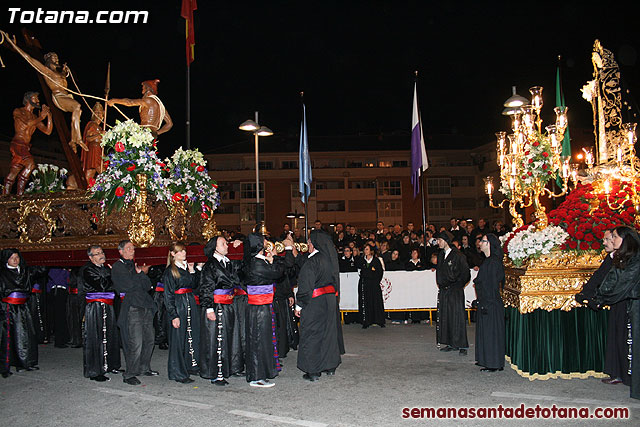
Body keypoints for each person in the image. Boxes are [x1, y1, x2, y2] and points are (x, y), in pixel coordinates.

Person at [3, 38, 86, 151]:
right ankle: (78, 139)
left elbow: (64, 74)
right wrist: (14, 45)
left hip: (67, 95)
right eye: (54, 57)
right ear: (48, 59)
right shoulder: (47, 71)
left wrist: (65, 71)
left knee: (78, 111)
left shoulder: (59, 73)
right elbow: (30, 59)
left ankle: (73, 140)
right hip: (59, 96)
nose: (57, 59)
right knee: (77, 107)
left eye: (57, 58)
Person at [591, 226, 640, 399]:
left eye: (614, 237)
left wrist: (599, 298)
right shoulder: (621, 257)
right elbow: (608, 279)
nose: (611, 240)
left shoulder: (634, 259)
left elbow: (618, 283)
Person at [575, 230, 627, 385]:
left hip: (626, 303)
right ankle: (617, 372)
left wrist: (598, 299)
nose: (604, 242)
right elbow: (599, 276)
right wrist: (585, 293)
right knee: (615, 337)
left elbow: (614, 284)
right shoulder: (611, 258)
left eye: (608, 239)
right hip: (616, 303)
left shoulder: (627, 260)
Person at [294, 229, 342, 381]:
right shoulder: (328, 259)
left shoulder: (312, 262)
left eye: (308, 242)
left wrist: (299, 305)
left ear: (313, 244)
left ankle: (313, 371)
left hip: (315, 301)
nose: (307, 244)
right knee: (328, 332)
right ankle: (329, 366)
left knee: (312, 332)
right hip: (329, 300)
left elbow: (305, 286)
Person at [111, 240, 157, 385]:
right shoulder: (118, 267)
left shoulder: (134, 265)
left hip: (145, 306)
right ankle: (129, 373)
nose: (132, 250)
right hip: (132, 308)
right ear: (121, 251)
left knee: (149, 340)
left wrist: (141, 275)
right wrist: (141, 274)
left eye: (133, 248)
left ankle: (144, 367)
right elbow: (128, 286)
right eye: (129, 248)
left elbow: (148, 286)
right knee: (135, 342)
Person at [242, 232, 285, 387]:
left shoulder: (257, 261)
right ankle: (256, 376)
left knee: (264, 339)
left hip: (262, 305)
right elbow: (277, 273)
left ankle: (263, 371)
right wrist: (276, 258)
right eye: (264, 240)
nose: (267, 241)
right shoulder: (257, 263)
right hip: (259, 307)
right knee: (258, 340)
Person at [199, 236, 243, 385]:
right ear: (215, 247)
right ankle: (215, 373)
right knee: (216, 339)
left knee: (229, 336)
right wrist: (209, 308)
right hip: (217, 306)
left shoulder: (228, 262)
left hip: (229, 305)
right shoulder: (210, 265)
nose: (227, 245)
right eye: (223, 243)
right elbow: (206, 287)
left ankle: (228, 368)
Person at [0, 249, 44, 376]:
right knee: (9, 337)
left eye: (17, 257)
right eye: (12, 257)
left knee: (27, 335)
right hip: (8, 308)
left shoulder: (25, 270)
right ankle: (5, 367)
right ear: (6, 259)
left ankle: (26, 363)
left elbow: (41, 269)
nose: (15, 260)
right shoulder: (2, 273)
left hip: (23, 306)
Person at [163, 242, 201, 384]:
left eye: (184, 251)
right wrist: (174, 315)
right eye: (179, 251)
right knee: (178, 339)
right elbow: (168, 295)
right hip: (179, 305)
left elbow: (194, 285)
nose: (183, 253)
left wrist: (193, 270)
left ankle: (191, 364)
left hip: (189, 302)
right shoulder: (170, 271)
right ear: (173, 254)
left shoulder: (186, 267)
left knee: (191, 334)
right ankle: (177, 372)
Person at [82, 245, 120, 382]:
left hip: (108, 305)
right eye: (97, 253)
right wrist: (112, 275)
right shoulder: (88, 270)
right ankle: (95, 371)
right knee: (96, 336)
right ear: (91, 257)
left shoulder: (105, 269)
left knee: (110, 334)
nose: (101, 255)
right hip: (96, 306)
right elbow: (102, 285)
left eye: (102, 252)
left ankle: (110, 365)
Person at [3, 92, 52, 195]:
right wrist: (41, 117)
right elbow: (26, 124)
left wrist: (49, 116)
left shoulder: (34, 117)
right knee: (30, 164)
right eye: (35, 98)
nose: (38, 101)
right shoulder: (19, 111)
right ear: (28, 99)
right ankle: (20, 194)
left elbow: (47, 131)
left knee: (15, 171)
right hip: (18, 144)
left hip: (25, 146)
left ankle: (5, 196)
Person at [435, 231, 471, 355]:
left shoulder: (458, 255)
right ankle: (451, 342)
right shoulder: (441, 255)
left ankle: (461, 345)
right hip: (444, 290)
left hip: (455, 290)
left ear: (446, 241)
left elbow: (466, 273)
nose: (438, 242)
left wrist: (458, 286)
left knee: (457, 317)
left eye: (439, 240)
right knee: (446, 317)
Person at [474, 234, 505, 372]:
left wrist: (483, 302)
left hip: (490, 303)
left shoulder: (492, 262)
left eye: (483, 241)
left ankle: (494, 363)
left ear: (489, 244)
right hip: (487, 301)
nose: (480, 243)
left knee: (491, 333)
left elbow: (490, 285)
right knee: (487, 332)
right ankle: (487, 360)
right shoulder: (488, 261)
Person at [108, 79, 173, 137]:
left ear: (147, 89)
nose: (142, 89)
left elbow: (130, 102)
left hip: (144, 134)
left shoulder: (148, 100)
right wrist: (156, 133)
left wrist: (114, 100)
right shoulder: (160, 106)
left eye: (143, 87)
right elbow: (169, 124)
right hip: (151, 135)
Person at [356, 244, 385, 328]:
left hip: (374, 284)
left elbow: (379, 273)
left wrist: (372, 276)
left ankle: (379, 320)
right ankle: (366, 321)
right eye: (365, 249)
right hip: (364, 284)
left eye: (367, 249)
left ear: (371, 251)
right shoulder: (361, 261)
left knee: (376, 301)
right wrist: (368, 273)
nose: (366, 251)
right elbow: (360, 272)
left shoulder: (376, 261)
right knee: (365, 302)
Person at [80, 102, 105, 183]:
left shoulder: (99, 127)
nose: (99, 115)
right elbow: (88, 138)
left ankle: (87, 186)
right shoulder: (92, 125)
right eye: (97, 112)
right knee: (101, 170)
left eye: (100, 113)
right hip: (94, 149)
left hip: (98, 149)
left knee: (92, 171)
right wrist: (99, 135)